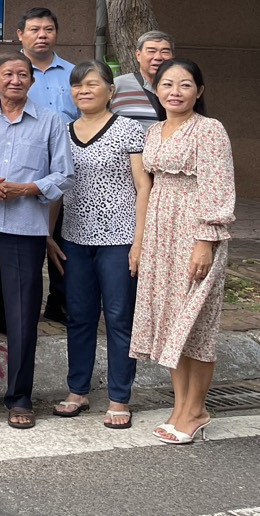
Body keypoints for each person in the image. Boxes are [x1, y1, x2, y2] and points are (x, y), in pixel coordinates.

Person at [0, 52, 74, 429]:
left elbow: (65, 175)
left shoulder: (52, 122)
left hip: (25, 228)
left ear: (32, 81)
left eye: (22, 74)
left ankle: (20, 396)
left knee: (23, 311)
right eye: (7, 74)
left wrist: (29, 188)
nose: (15, 80)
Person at [131, 59, 235, 445]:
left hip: (195, 231)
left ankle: (196, 410)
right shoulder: (155, 131)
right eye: (167, 84)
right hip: (162, 231)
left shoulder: (209, 131)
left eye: (185, 84)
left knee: (198, 323)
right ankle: (180, 406)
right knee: (172, 323)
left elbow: (217, 185)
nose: (175, 91)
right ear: (156, 90)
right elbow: (149, 186)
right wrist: (141, 243)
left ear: (199, 91)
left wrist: (205, 240)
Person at [48, 60, 149, 430]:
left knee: (120, 318)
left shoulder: (129, 130)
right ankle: (78, 391)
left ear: (111, 90)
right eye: (77, 86)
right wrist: (48, 234)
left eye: (92, 84)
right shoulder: (63, 131)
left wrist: (140, 241)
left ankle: (120, 397)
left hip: (119, 240)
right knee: (79, 316)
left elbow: (143, 187)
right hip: (74, 239)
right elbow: (58, 187)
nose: (84, 90)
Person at [18, 7, 76, 323]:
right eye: (35, 29)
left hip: (67, 166)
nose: (42, 35)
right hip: (25, 165)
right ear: (20, 35)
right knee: (26, 239)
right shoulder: (10, 71)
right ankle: (22, 307)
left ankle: (60, 303)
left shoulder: (73, 72)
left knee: (64, 236)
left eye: (48, 29)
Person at [112, 30, 175, 128]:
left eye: (165, 52)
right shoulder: (117, 85)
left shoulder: (181, 88)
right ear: (138, 55)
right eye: (151, 51)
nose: (158, 57)